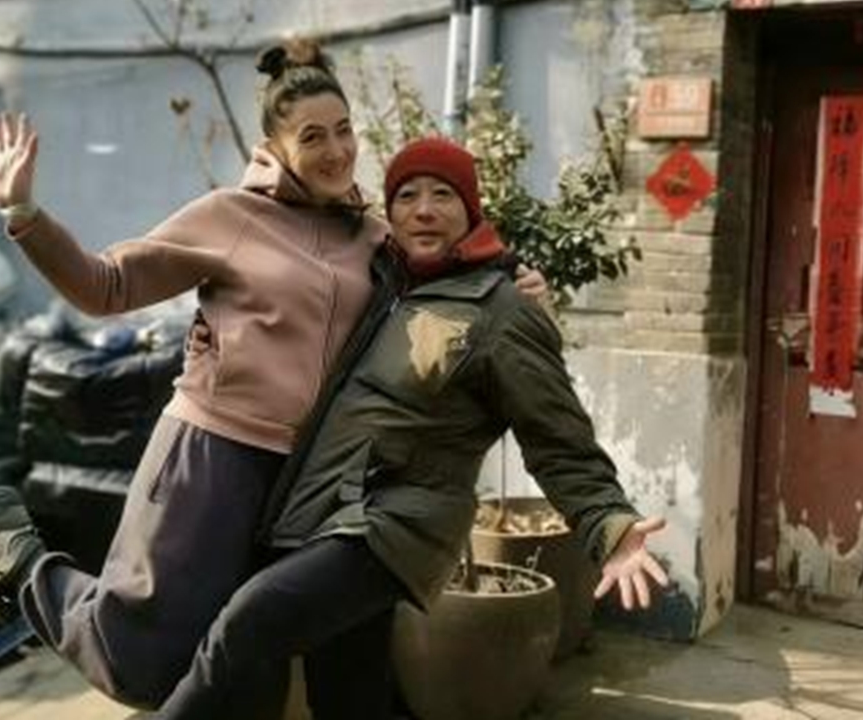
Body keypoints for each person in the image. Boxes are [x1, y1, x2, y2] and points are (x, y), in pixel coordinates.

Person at [0, 43, 546, 713]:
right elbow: (106, 285)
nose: (336, 150)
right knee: (140, 660)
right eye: (312, 137)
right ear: (275, 147)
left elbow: (445, 279)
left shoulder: (374, 238)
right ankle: (10, 553)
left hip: (307, 481)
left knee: (247, 673)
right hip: (211, 458)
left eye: (343, 130)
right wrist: (23, 214)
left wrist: (517, 287)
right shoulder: (230, 218)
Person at [148, 137, 671, 719]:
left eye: (442, 195)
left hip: (395, 526)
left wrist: (609, 525)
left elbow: (557, 437)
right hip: (325, 514)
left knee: (250, 621)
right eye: (407, 196)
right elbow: (308, 231)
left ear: (470, 210)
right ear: (389, 213)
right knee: (348, 695)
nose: (424, 209)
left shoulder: (501, 310)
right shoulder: (378, 287)